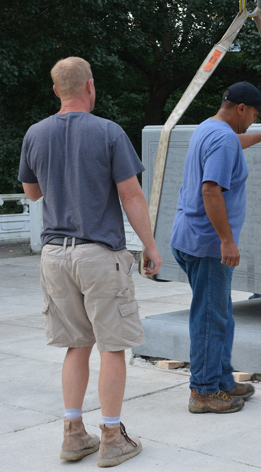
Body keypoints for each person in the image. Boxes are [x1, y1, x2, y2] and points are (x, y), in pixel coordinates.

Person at [18, 57, 162, 467]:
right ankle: (112, 438)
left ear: (56, 90)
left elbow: (32, 193)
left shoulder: (35, 133)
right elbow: (131, 196)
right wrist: (150, 247)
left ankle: (73, 434)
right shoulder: (108, 132)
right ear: (90, 87)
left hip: (54, 256)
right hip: (98, 254)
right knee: (112, 347)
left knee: (75, 346)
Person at [170, 82, 261, 414]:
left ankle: (220, 379)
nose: (253, 121)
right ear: (240, 109)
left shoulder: (210, 128)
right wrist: (227, 240)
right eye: (253, 115)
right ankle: (203, 392)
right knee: (209, 317)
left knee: (219, 315)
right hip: (208, 244)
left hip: (190, 236)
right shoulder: (222, 138)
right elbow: (210, 191)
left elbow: (236, 142)